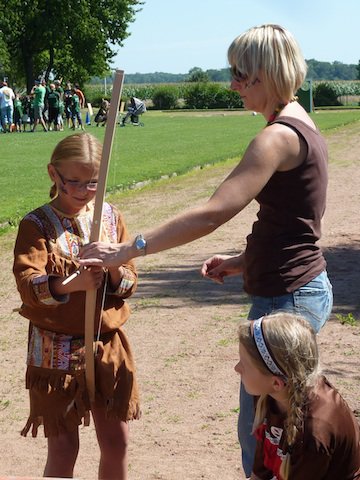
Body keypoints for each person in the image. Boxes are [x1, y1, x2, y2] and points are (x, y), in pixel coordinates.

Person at [79, 24, 333, 476]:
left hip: (286, 299)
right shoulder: (302, 124)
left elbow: (213, 213)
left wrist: (128, 250)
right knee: (278, 427)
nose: (233, 84)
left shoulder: (276, 137)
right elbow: (294, 222)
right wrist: (243, 262)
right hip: (299, 287)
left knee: (263, 437)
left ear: (266, 73)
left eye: (241, 73)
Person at [13, 133, 140, 479]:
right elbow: (28, 285)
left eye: (94, 182)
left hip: (105, 345)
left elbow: (129, 283)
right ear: (54, 174)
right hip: (55, 351)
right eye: (76, 182)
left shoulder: (111, 218)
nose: (86, 191)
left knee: (117, 443)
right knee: (65, 448)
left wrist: (112, 264)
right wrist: (73, 283)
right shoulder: (36, 224)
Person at [235, 312, 360, 480]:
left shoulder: (314, 431)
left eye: (244, 364)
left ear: (277, 383)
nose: (237, 368)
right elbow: (260, 471)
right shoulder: (269, 393)